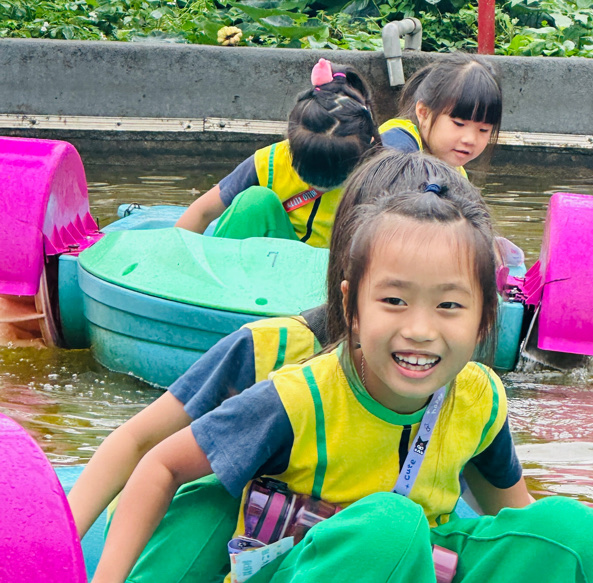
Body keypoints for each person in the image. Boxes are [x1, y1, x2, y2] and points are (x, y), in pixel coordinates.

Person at [88, 183, 593, 583]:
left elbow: (516, 512)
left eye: (449, 306)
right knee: (391, 528)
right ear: (352, 307)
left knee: (572, 530)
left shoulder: (480, 398)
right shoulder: (299, 397)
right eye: (394, 301)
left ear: (484, 320)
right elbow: (162, 463)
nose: (420, 329)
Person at [67, 151, 476, 549]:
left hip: (356, 549)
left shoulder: (447, 371)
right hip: (214, 536)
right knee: (214, 500)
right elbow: (139, 441)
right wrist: (60, 546)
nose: (421, 326)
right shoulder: (270, 348)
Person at [174, 59, 379, 248]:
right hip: (275, 261)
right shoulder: (269, 162)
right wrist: (171, 259)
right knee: (255, 200)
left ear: (368, 146)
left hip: (337, 266)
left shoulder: (381, 174)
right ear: (291, 142)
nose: (320, 187)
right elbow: (202, 213)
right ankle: (224, 268)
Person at [380, 53, 501, 176]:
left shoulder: (457, 172)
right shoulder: (396, 142)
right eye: (459, 124)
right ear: (424, 113)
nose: (470, 139)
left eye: (483, 130)